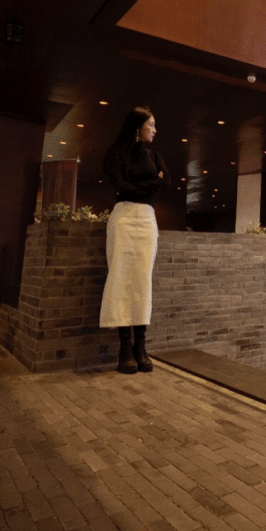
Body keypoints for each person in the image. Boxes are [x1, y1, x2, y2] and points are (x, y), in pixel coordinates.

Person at [100, 106, 169, 374]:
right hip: (123, 217)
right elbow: (121, 186)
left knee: (142, 280)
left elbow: (166, 183)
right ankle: (124, 347)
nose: (155, 130)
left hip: (147, 219)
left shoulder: (155, 155)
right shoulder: (116, 153)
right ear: (137, 126)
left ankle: (141, 345)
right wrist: (151, 181)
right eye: (151, 124)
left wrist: (140, 185)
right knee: (120, 277)